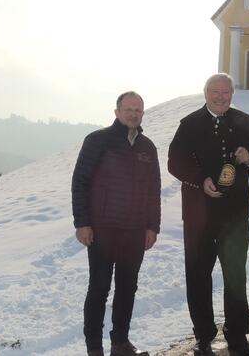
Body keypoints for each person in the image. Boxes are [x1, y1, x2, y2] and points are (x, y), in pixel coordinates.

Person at [168, 73, 249, 356]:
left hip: (235, 217)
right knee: (198, 276)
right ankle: (203, 336)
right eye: (215, 91)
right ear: (205, 93)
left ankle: (237, 337)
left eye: (226, 92)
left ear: (232, 94)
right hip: (198, 216)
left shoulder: (244, 121)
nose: (221, 96)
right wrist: (201, 180)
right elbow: (174, 162)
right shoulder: (189, 124)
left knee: (235, 276)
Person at [72, 92, 161, 356]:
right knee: (99, 288)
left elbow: (153, 191)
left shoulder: (147, 147)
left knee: (127, 288)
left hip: (134, 232)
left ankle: (120, 343)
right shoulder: (98, 141)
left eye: (138, 110)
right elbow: (80, 183)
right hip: (102, 230)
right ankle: (94, 349)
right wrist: (82, 223)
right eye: (129, 109)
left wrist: (151, 227)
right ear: (117, 112)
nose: (134, 114)